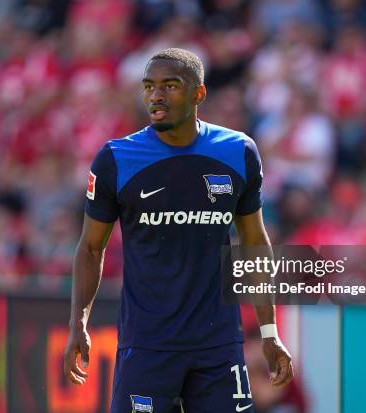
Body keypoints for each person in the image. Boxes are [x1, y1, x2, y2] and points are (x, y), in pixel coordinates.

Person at [64, 48, 293, 413]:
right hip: (147, 346)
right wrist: (79, 323)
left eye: (170, 85)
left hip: (218, 346)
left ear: (199, 93)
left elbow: (254, 242)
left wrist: (269, 332)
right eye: (149, 86)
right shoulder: (116, 159)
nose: (156, 95)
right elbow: (91, 248)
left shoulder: (238, 152)